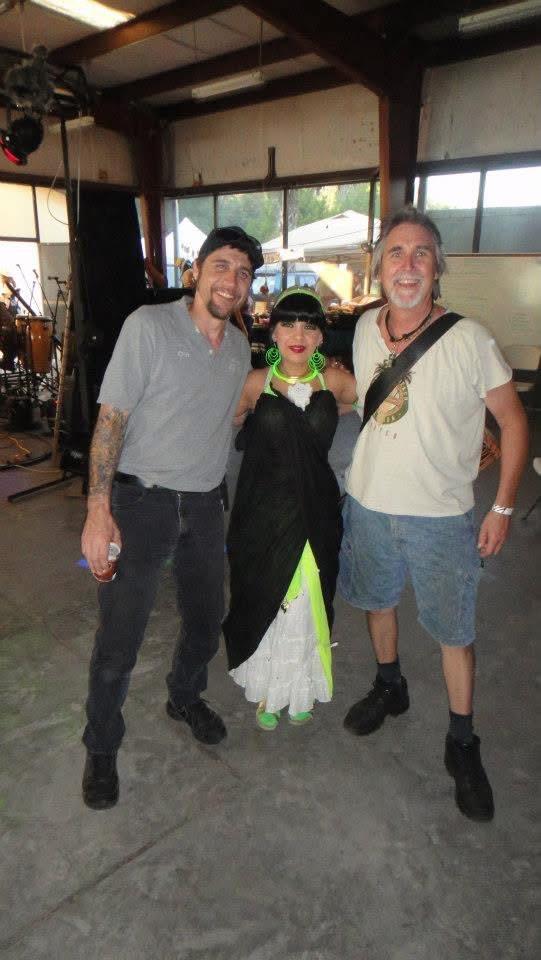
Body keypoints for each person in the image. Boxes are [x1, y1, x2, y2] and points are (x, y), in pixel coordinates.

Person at [338, 206, 528, 821]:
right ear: (379, 266)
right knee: (378, 602)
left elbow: (516, 424)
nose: (408, 264)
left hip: (441, 519)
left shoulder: (470, 340)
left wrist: (501, 504)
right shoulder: (366, 328)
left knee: (454, 632)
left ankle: (462, 741)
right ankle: (390, 686)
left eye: (422, 253)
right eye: (396, 252)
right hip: (367, 506)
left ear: (437, 267)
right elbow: (356, 393)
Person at [80, 225, 264, 809]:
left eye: (242, 272)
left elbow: (231, 414)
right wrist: (97, 512)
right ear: (196, 271)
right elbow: (111, 421)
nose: (230, 280)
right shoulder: (148, 326)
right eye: (221, 265)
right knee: (120, 639)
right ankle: (102, 745)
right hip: (141, 502)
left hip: (206, 505)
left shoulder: (238, 347)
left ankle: (184, 695)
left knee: (208, 621)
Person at [223, 288, 357, 729]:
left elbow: (368, 407)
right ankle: (269, 690)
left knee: (307, 599)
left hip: (316, 512)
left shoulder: (336, 383)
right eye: (288, 323)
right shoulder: (252, 383)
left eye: (310, 325)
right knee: (269, 596)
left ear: (321, 337)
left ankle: (299, 687)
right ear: (273, 332)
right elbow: (229, 428)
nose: (299, 333)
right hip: (263, 512)